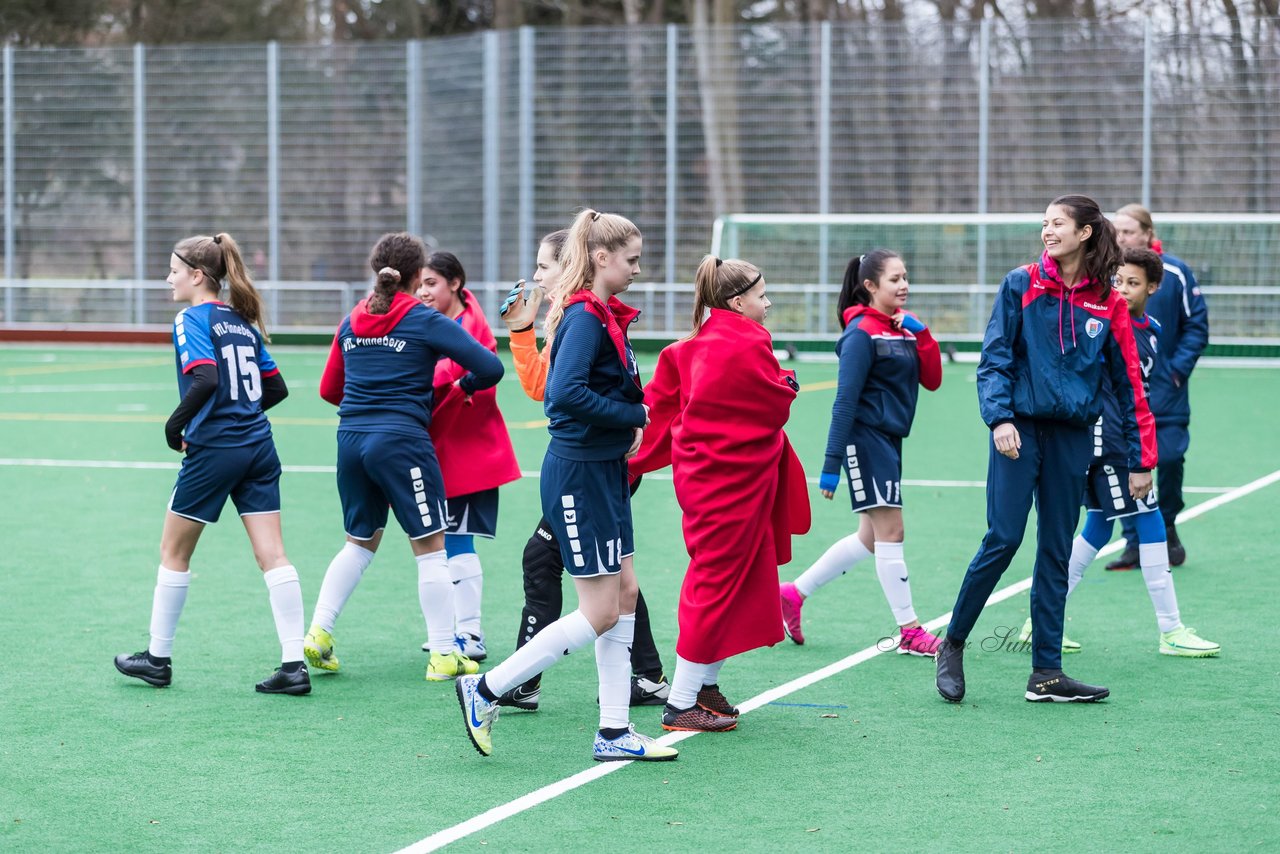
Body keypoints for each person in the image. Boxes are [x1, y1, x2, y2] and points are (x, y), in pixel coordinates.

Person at [456, 209, 677, 762]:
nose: (637, 269)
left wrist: (628, 417)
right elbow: (564, 396)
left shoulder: (600, 313)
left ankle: (613, 731)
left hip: (605, 472)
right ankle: (486, 689)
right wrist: (632, 414)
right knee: (600, 609)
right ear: (601, 259)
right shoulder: (581, 316)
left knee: (624, 595)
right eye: (631, 259)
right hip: (579, 475)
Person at [935, 194, 1157, 704]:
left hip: (1073, 438)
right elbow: (993, 360)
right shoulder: (1020, 283)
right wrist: (1000, 418)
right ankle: (953, 643)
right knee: (1004, 538)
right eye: (1044, 224)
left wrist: (1142, 460)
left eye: (1057, 223)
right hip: (1018, 433)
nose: (1047, 232)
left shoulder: (1108, 301)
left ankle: (1047, 674)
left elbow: (1131, 389)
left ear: (1084, 233)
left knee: (1056, 550)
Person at [303, 233, 504, 683]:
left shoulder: (351, 319)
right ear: (417, 277)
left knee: (358, 543)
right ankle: (442, 654)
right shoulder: (422, 318)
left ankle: (318, 633)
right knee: (432, 547)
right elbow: (490, 366)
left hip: (350, 439)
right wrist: (456, 389)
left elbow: (327, 390)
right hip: (402, 442)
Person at [114, 232, 309, 695]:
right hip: (260, 448)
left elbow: (204, 378)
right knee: (273, 555)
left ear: (198, 276)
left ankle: (157, 660)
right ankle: (294, 665)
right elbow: (276, 390)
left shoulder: (191, 318)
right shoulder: (241, 320)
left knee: (174, 552)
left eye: (174, 271)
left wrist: (173, 426)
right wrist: (242, 419)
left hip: (216, 450)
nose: (169, 279)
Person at [629, 255, 810, 733]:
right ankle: (682, 701)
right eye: (761, 295)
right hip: (729, 485)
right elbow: (774, 403)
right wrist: (789, 383)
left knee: (733, 580)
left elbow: (657, 410)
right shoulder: (744, 342)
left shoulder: (691, 347)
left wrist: (629, 459)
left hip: (713, 482)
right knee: (714, 583)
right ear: (737, 301)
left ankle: (703, 686)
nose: (767, 304)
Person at [1019, 248, 1219, 657]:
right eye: (1118, 282)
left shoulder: (1154, 327)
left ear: (1153, 287)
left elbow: (1137, 393)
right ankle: (1171, 630)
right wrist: (1133, 456)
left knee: (1098, 526)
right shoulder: (1104, 325)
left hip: (1120, 442)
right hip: (1109, 445)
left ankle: (1035, 622)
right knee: (1150, 522)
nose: (1123, 291)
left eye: (1133, 283)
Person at [779, 250, 942, 656]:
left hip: (890, 440)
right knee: (893, 533)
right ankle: (910, 630)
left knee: (870, 538)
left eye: (906, 277)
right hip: (865, 440)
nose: (903, 285)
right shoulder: (860, 334)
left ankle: (793, 594)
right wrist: (831, 464)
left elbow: (934, 379)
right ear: (870, 286)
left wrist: (922, 333)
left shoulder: (903, 331)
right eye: (894, 279)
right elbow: (845, 402)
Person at [414, 251, 521, 662]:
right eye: (419, 284)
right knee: (440, 542)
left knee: (457, 541)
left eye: (432, 283)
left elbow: (474, 380)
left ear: (455, 283)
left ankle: (470, 634)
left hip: (467, 454)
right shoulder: (445, 324)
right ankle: (453, 629)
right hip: (442, 450)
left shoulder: (470, 330)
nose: (423, 292)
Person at [1108, 203, 1209, 569]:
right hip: (1120, 396)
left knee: (1168, 457)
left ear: (1148, 233)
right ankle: (1134, 541)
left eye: (1129, 231)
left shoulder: (1176, 274)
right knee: (1121, 462)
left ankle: (1166, 523)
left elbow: (1197, 326)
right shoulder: (1108, 274)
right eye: (1116, 231)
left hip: (1166, 392)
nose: (1121, 238)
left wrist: (1175, 372)